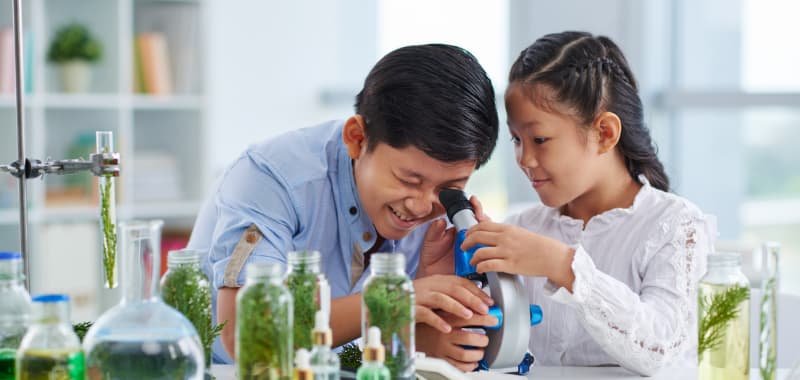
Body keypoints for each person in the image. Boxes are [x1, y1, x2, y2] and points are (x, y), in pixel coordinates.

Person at [187, 44, 499, 366]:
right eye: (409, 180)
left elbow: (404, 349)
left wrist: (435, 327)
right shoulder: (270, 179)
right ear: (357, 138)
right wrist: (392, 303)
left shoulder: (445, 220)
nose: (421, 206)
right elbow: (249, 336)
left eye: (449, 188)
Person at [456, 31, 716, 375]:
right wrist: (485, 279)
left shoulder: (675, 225)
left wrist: (564, 266)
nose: (524, 158)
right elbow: (492, 354)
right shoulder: (522, 228)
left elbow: (661, 348)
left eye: (539, 139)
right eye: (516, 139)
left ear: (605, 133)